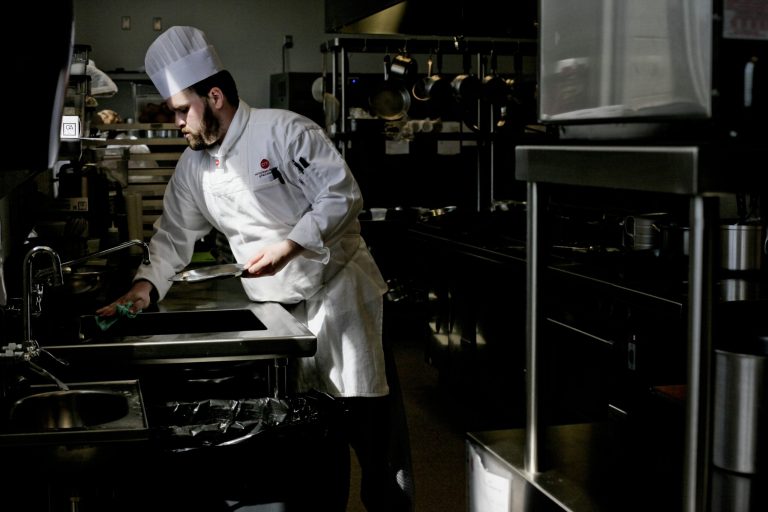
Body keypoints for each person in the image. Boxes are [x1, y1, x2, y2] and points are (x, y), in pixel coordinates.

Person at [96, 26, 413, 511]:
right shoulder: (194, 168)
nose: (177, 122)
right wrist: (144, 286)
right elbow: (173, 238)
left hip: (342, 299)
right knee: (314, 443)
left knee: (375, 439)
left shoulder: (285, 130)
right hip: (280, 320)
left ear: (215, 95)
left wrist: (290, 244)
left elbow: (342, 195)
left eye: (183, 110)